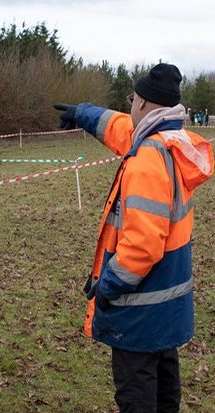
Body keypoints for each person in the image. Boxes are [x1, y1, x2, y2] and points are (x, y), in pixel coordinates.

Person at [56, 63, 214, 412]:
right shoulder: (174, 141)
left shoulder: (147, 160)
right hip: (166, 308)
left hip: (139, 311)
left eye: (132, 99)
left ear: (141, 103)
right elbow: (122, 130)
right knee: (164, 391)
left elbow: (142, 246)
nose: (130, 107)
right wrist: (84, 114)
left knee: (138, 398)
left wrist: (108, 287)